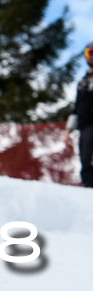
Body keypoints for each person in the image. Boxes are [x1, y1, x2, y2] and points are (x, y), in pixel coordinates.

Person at [65, 42, 93, 188]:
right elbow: (76, 106)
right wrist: (69, 129)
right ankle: (89, 186)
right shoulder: (82, 81)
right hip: (85, 124)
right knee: (85, 155)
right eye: (90, 52)